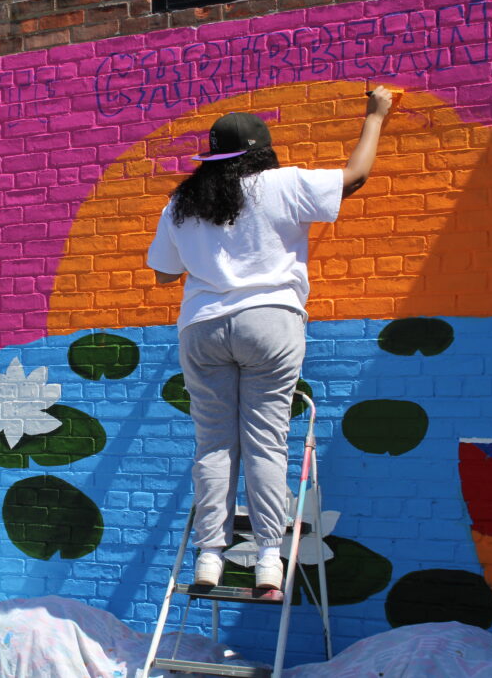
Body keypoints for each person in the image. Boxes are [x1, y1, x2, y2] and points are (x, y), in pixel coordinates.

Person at [147, 87, 394, 589]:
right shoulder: (283, 184)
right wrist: (375, 116)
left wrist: (208, 255)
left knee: (213, 445)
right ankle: (266, 560)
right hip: (270, 322)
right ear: (262, 150)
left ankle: (209, 559)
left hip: (203, 327)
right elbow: (356, 177)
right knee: (265, 444)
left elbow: (164, 276)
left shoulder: (182, 201)